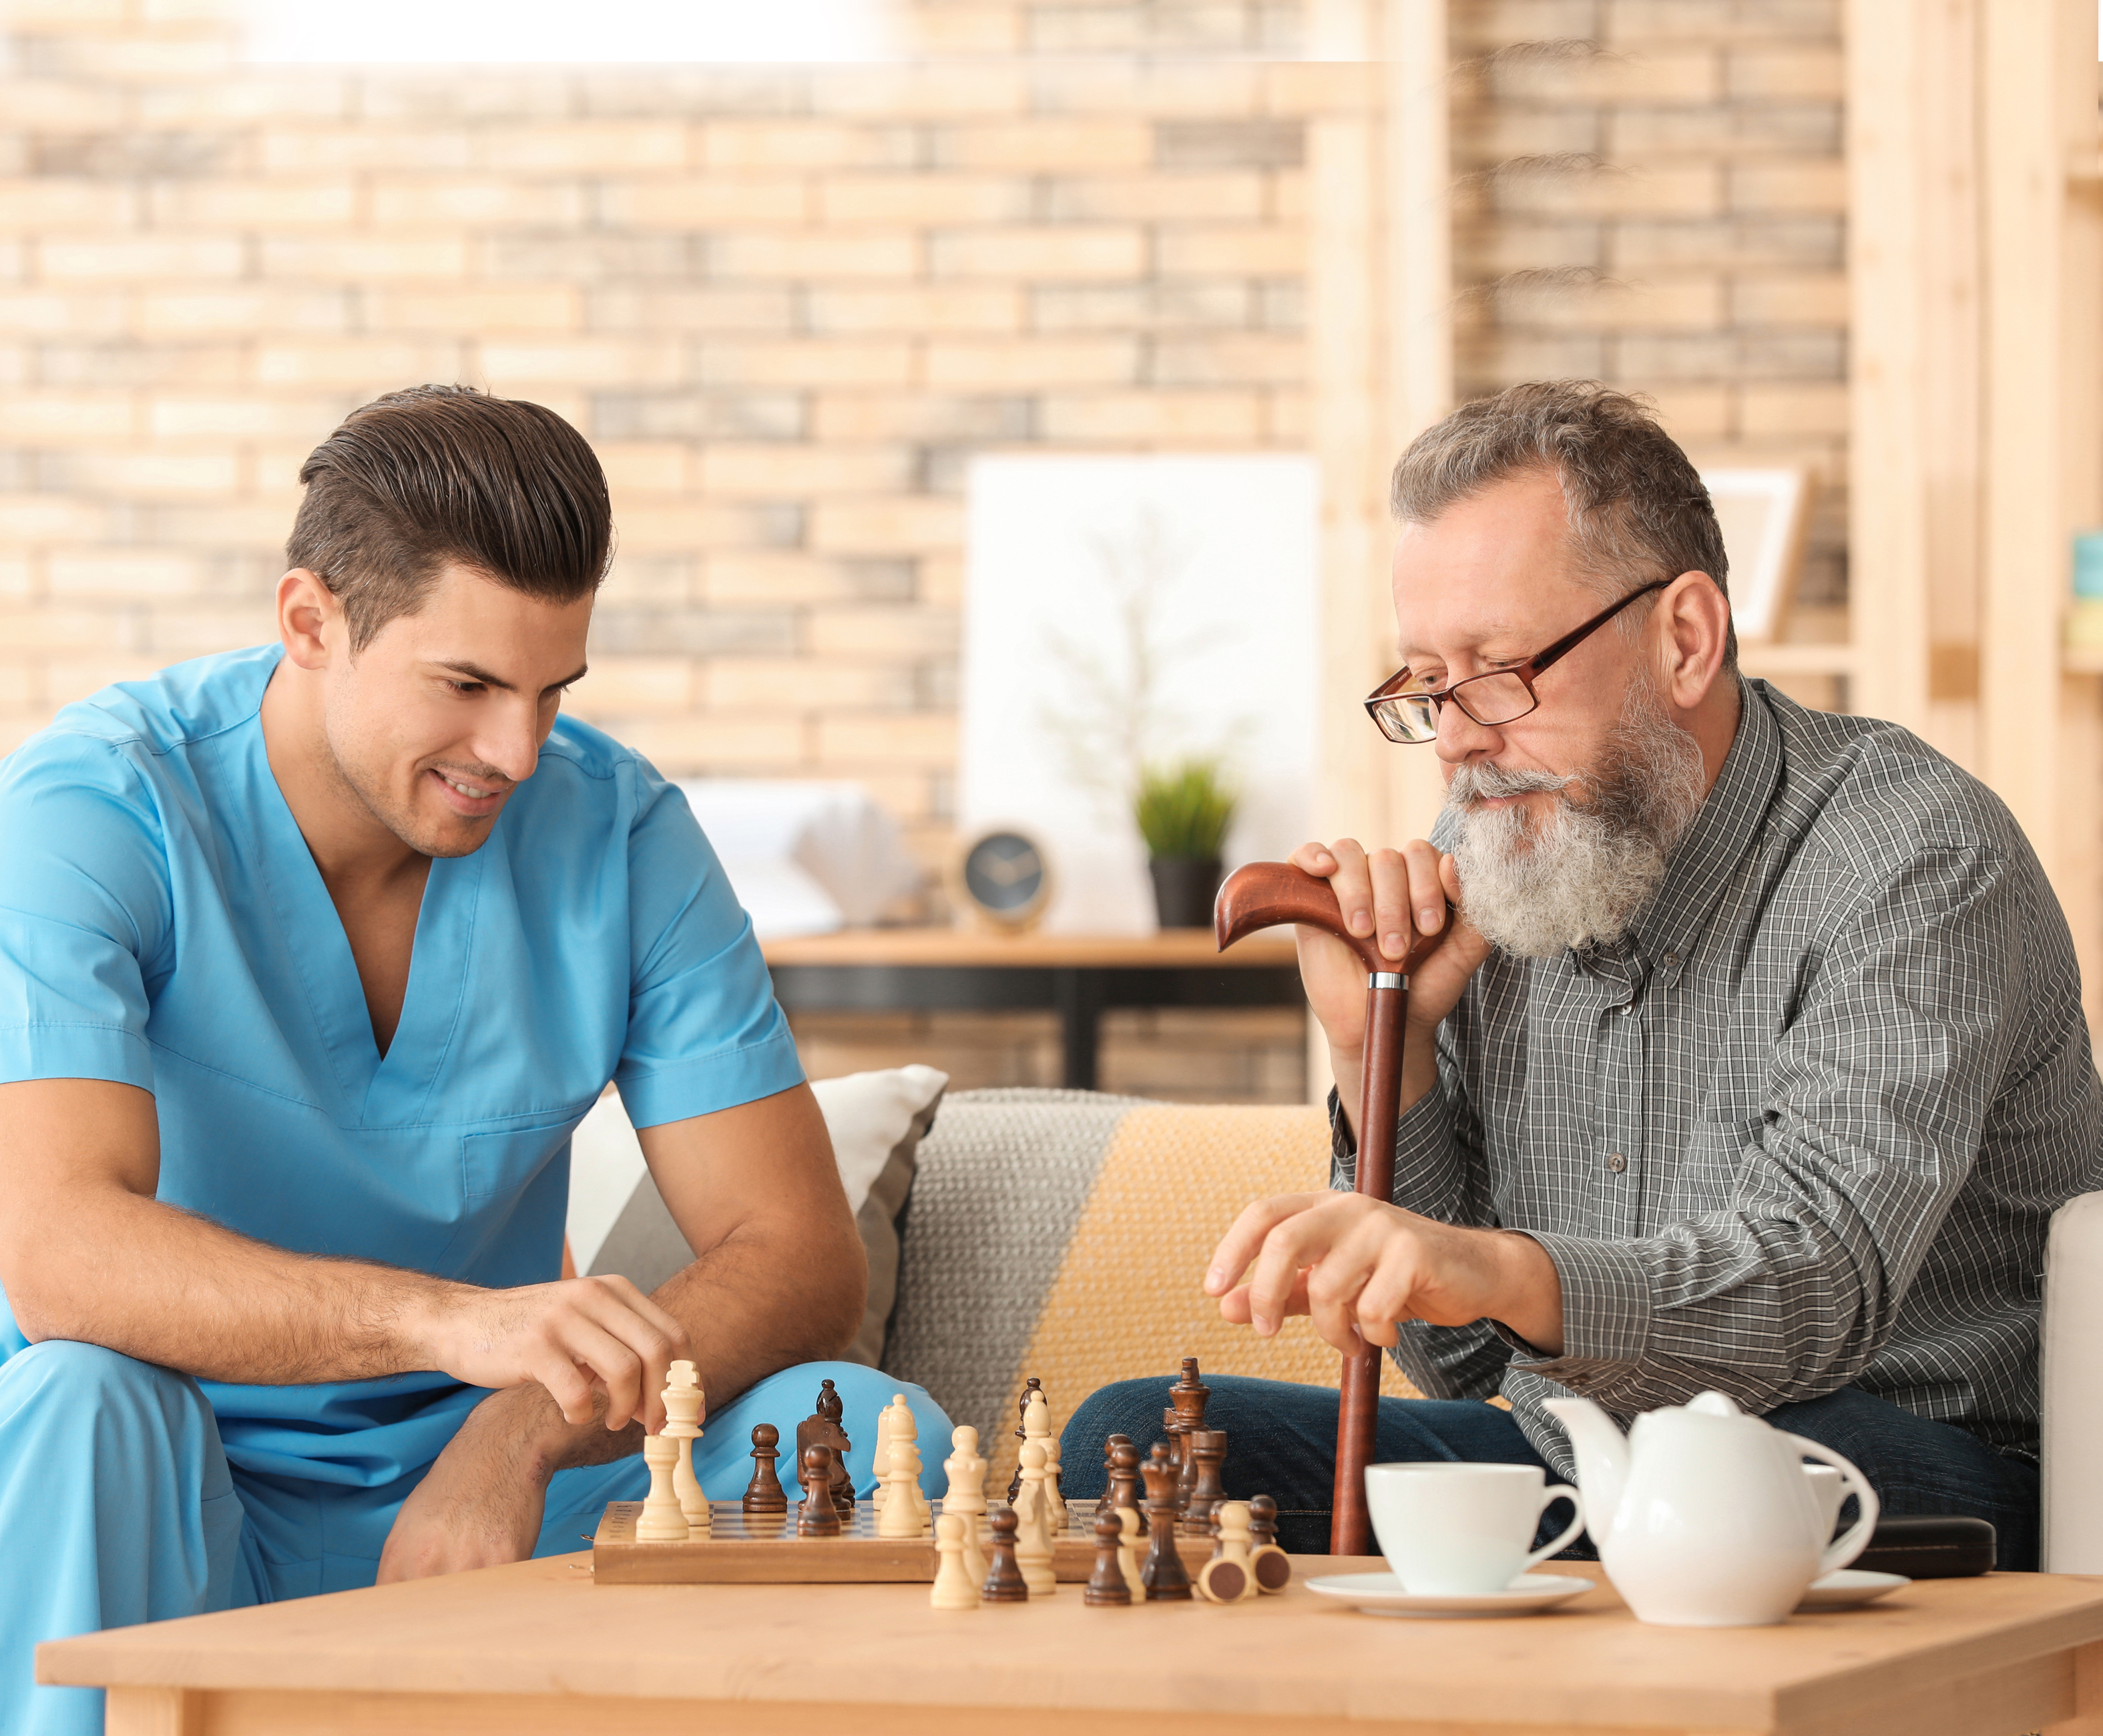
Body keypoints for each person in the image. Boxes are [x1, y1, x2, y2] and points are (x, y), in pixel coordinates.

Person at [0, 386, 948, 1736]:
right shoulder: (98, 806)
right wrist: (456, 1323)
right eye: (469, 686)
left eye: (552, 690)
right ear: (311, 623)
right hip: (180, 1488)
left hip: (509, 1488)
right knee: (79, 1399)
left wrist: (514, 1430)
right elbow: (59, 1252)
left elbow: (798, 1253)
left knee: (843, 1417)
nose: (516, 751)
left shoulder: (619, 831)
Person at [1065, 381, 2101, 1567]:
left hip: (1893, 1464)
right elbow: (1464, 1366)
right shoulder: (1494, 853)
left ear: (1684, 639)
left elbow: (1818, 1285)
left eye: (1499, 668)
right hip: (1587, 1461)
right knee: (1136, 1443)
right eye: (1427, 680)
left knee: (1729, 1467)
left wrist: (1489, 1266)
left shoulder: (1912, 854)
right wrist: (1377, 1053)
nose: (1454, 736)